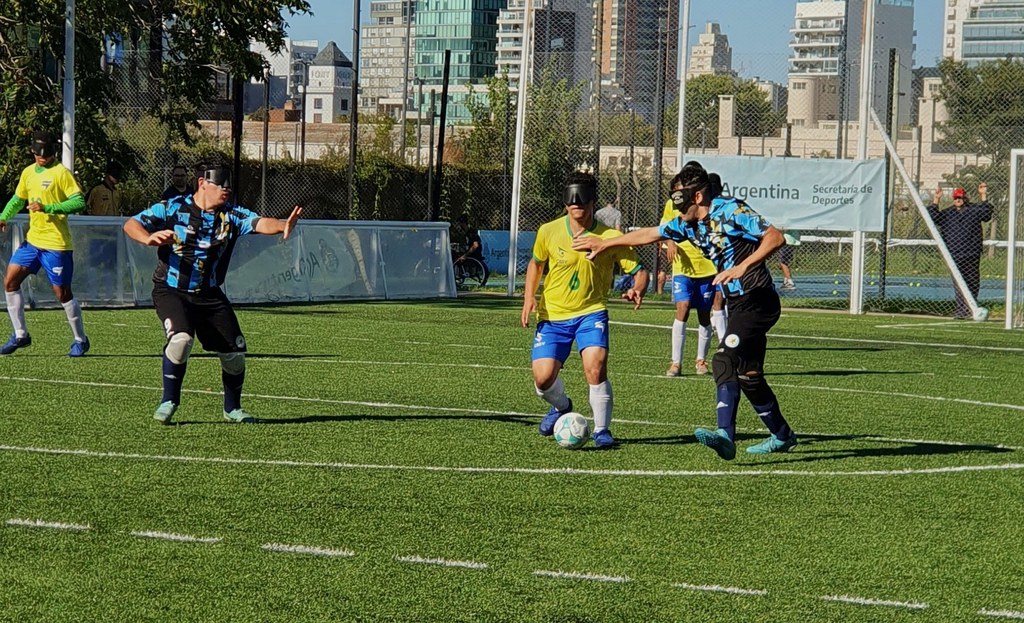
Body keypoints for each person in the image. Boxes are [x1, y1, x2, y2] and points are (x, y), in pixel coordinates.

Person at [572, 161, 796, 459]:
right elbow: (649, 234)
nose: (675, 208)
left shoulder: (730, 211)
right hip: (739, 304)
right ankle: (782, 435)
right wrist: (605, 243)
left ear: (698, 197)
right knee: (749, 374)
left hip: (758, 300)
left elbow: (775, 237)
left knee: (722, 360)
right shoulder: (685, 224)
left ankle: (724, 435)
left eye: (679, 200)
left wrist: (742, 267)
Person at [123, 162, 302, 424]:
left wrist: (284, 224)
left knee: (235, 356)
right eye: (220, 184)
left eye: (229, 184)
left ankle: (232, 409)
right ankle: (169, 400)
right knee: (181, 340)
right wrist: (147, 238)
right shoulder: (172, 207)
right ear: (202, 183)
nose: (226, 189)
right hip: (172, 290)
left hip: (209, 294)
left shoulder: (230, 216)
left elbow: (261, 222)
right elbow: (131, 224)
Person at [521, 171, 648, 449]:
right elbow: (536, 264)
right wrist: (529, 296)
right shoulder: (548, 231)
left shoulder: (611, 237)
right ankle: (562, 407)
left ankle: (602, 430)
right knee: (542, 380)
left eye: (582, 198)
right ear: (565, 201)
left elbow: (639, 271)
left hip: (591, 312)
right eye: (570, 199)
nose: (575, 204)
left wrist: (638, 287)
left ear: (593, 200)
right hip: (553, 315)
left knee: (596, 367)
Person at [0, 130, 90, 357]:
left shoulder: (61, 173)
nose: (42, 158)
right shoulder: (28, 173)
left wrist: (49, 208)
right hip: (33, 242)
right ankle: (21, 334)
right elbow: (18, 198)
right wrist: (3, 216)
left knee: (62, 293)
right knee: (10, 281)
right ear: (33, 152)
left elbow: (78, 201)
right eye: (39, 154)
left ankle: (80, 339)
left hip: (56, 244)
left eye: (46, 154)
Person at [660, 171, 727, 377]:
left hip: (706, 268)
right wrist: (671, 242)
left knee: (704, 315)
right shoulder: (673, 204)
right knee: (683, 307)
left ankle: (701, 360)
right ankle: (676, 363)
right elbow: (664, 229)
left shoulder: (712, 207)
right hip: (683, 267)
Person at [927, 183, 993, 319]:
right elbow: (932, 218)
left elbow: (987, 214)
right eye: (956, 198)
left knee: (973, 281)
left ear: (965, 198)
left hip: (971, 252)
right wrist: (936, 200)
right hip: (954, 253)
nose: (958, 200)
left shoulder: (973, 210)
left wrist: (983, 195)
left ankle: (971, 308)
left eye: (960, 198)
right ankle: (962, 310)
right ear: (953, 198)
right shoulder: (947, 213)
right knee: (959, 282)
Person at [452, 213, 489, 284]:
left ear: (463, 224)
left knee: (455, 257)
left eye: (460, 224)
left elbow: (475, 245)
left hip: (473, 255)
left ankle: (456, 277)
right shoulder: (467, 234)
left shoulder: (471, 233)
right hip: (471, 254)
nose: (459, 227)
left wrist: (465, 255)